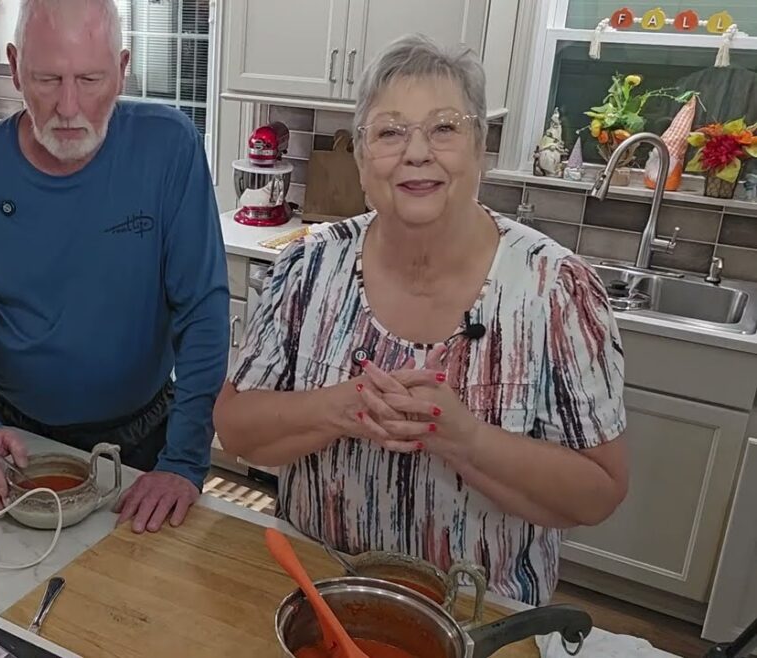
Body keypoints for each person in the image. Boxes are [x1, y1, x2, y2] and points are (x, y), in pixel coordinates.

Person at [213, 34, 629, 606]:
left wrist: (463, 439)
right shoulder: (308, 265)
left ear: (480, 146)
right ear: (361, 158)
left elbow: (598, 493)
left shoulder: (555, 289)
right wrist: (343, 406)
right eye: (389, 131)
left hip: (479, 618)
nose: (416, 152)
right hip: (321, 598)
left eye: (444, 127)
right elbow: (236, 430)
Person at [0, 0, 229, 534]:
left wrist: (185, 459)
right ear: (14, 68)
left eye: (89, 79)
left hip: (145, 440)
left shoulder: (170, 147)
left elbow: (202, 310)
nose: (67, 106)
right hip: (17, 444)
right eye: (46, 79)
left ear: (123, 69)